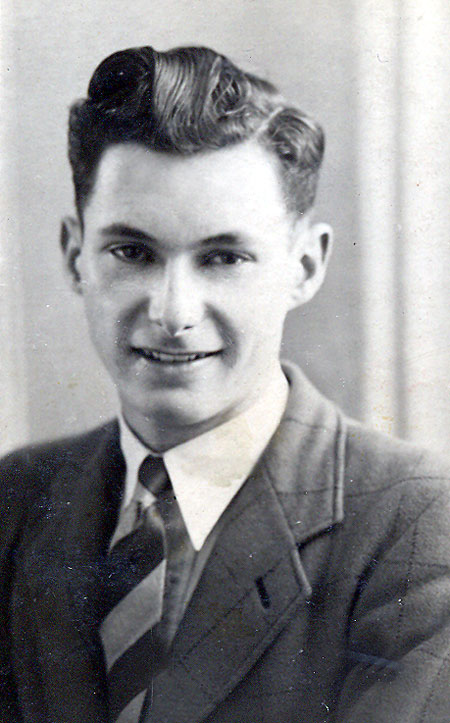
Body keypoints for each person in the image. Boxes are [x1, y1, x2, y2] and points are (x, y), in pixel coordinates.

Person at [1, 45, 449, 723]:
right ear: (74, 256)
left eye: (224, 257)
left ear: (304, 266)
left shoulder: (416, 524)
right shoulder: (16, 499)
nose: (172, 312)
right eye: (132, 252)